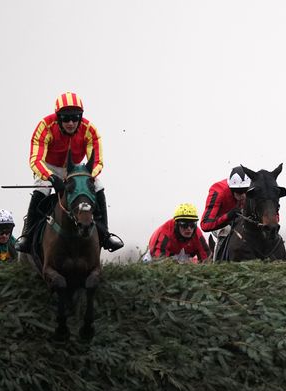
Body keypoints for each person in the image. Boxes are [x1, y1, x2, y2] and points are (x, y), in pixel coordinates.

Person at [14, 92, 124, 253]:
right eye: (65, 118)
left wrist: (86, 177)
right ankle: (28, 236)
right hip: (48, 166)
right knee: (43, 186)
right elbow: (35, 160)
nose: (71, 123)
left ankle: (105, 235)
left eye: (75, 117)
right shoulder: (44, 126)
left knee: (98, 185)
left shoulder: (90, 130)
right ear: (58, 117)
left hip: (75, 169)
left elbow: (97, 162)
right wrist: (51, 177)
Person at [200, 166, 251, 259]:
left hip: (242, 220)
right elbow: (205, 225)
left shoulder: (253, 190)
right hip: (221, 223)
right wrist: (228, 216)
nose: (243, 195)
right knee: (225, 231)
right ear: (231, 188)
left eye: (245, 190)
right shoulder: (218, 191)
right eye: (239, 191)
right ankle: (217, 263)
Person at [144, 203, 211, 263]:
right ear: (176, 224)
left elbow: (206, 259)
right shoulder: (164, 233)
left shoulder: (196, 233)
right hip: (154, 258)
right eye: (184, 224)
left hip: (181, 255)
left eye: (192, 224)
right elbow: (159, 260)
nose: (189, 228)